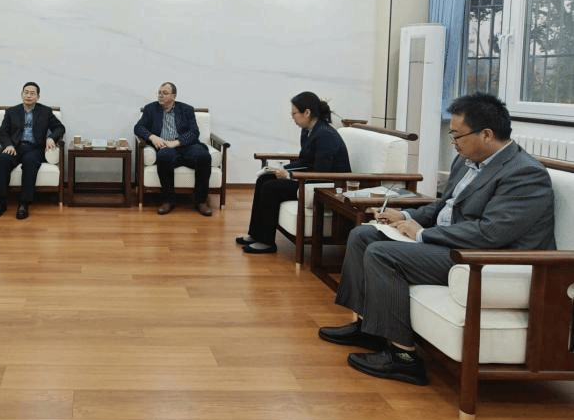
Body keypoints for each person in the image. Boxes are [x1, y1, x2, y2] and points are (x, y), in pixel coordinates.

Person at [318, 92, 555, 385]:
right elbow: (445, 207)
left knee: (382, 254)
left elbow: (491, 233)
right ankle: (369, 329)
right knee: (362, 235)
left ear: (486, 134)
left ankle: (403, 358)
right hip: (457, 245)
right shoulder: (466, 161)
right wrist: (406, 216)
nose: (452, 143)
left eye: (457, 135)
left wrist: (422, 234)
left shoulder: (525, 174)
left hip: (487, 259)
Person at [238, 91, 351, 254]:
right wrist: (283, 170)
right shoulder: (308, 130)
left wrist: (289, 175)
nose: (292, 118)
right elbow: (305, 161)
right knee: (264, 179)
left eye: (294, 114)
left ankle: (267, 242)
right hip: (311, 179)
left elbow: (322, 173)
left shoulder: (325, 135)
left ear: (307, 112)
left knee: (271, 188)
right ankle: (256, 235)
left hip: (328, 185)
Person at [134, 82, 213, 216]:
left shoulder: (186, 109)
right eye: (159, 92)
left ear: (174, 96)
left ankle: (201, 201)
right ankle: (168, 200)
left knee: (204, 156)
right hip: (165, 146)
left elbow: (194, 132)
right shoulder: (150, 109)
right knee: (163, 157)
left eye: (165, 93)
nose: (160, 95)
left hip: (186, 145)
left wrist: (176, 142)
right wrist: (152, 137)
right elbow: (138, 127)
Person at [0, 82, 65, 220]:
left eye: (32, 93)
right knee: (3, 160)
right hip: (15, 147)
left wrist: (51, 138)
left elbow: (60, 128)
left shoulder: (45, 111)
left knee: (29, 162)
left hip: (35, 148)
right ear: (21, 94)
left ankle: (24, 203)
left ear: (38, 97)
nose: (29, 96)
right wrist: (8, 145)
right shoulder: (11, 112)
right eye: (26, 92)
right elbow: (2, 132)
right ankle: (1, 202)